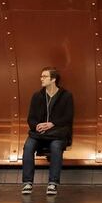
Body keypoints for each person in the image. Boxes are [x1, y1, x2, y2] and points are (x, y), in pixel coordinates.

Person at [21, 67, 74, 196]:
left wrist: (52, 124)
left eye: (44, 76)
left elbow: (68, 117)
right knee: (28, 146)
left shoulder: (66, 96)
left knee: (56, 147)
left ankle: (52, 183)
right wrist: (37, 126)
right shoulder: (37, 96)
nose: (41, 79)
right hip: (39, 134)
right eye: (41, 76)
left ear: (53, 79)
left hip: (58, 133)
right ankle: (27, 182)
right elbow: (31, 118)